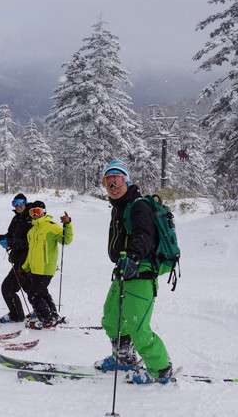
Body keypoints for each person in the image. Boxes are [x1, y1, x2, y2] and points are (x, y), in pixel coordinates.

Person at [95, 160, 174, 384]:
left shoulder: (138, 205)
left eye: (117, 180)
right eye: (108, 181)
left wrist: (134, 257)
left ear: (127, 181)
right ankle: (124, 358)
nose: (112, 186)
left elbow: (144, 234)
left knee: (138, 325)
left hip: (140, 271)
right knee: (112, 318)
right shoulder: (120, 207)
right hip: (123, 271)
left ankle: (160, 370)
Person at [21, 200, 73, 329]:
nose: (35, 215)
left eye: (38, 211)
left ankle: (46, 320)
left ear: (44, 212)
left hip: (46, 267)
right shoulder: (31, 231)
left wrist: (68, 224)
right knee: (43, 293)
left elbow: (66, 240)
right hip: (34, 268)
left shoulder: (52, 227)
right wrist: (24, 267)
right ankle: (53, 316)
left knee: (34, 295)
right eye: (32, 212)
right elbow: (30, 252)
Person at [0, 193, 33, 323]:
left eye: (20, 203)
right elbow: (10, 236)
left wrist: (11, 242)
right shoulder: (16, 219)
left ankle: (17, 315)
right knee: (30, 287)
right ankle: (41, 312)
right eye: (15, 204)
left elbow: (29, 241)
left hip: (25, 260)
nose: (18, 206)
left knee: (8, 288)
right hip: (18, 258)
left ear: (25, 203)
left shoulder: (31, 218)